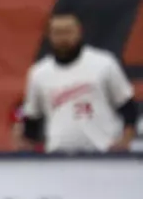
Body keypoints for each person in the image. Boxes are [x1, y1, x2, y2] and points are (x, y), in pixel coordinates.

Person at [15, 12, 137, 153]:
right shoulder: (39, 73)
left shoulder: (103, 64)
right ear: (49, 36)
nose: (63, 38)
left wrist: (125, 140)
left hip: (102, 153)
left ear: (79, 33)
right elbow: (32, 120)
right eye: (57, 33)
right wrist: (27, 151)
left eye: (68, 32)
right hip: (58, 155)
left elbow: (128, 108)